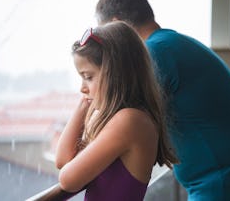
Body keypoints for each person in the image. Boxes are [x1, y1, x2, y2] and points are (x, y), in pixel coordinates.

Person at [95, 0, 230, 201]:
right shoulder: (173, 44)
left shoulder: (155, 52)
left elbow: (120, 119)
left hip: (226, 186)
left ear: (120, 25)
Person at [55, 21, 178, 200]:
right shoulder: (126, 119)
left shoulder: (130, 120)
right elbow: (62, 160)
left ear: (115, 74)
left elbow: (67, 180)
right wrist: (83, 105)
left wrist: (86, 106)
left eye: (88, 77)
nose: (82, 88)